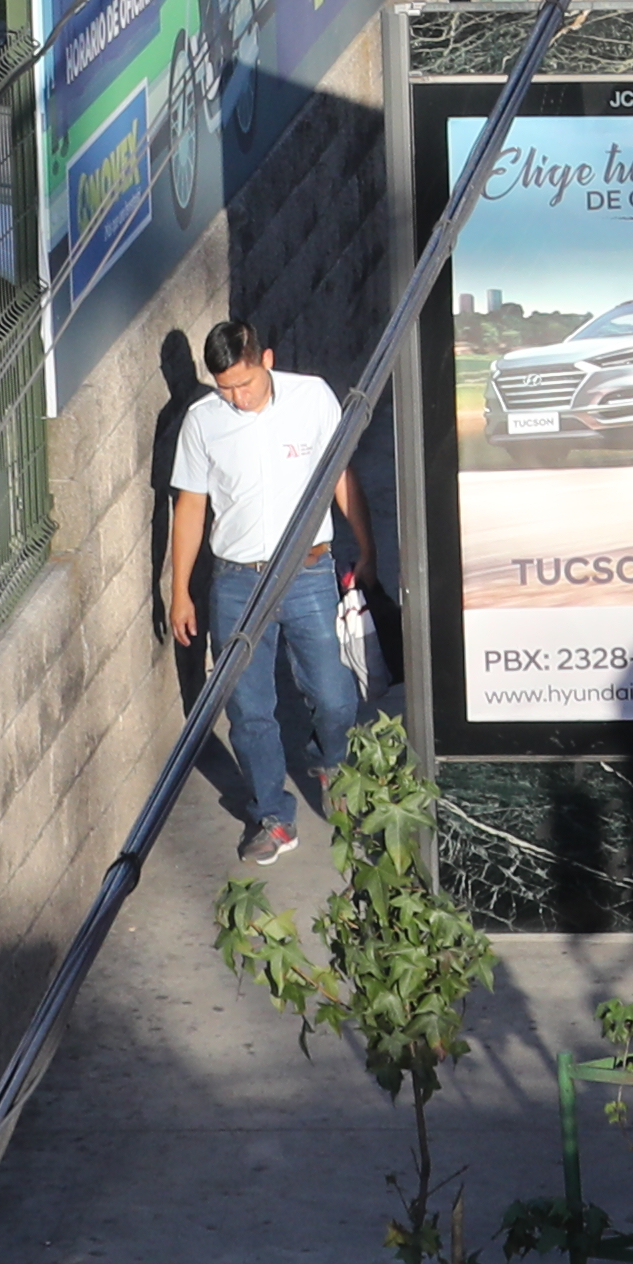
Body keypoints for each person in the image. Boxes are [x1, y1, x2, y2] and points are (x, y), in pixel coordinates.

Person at [166, 315, 370, 867]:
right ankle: (271, 816)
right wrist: (179, 588)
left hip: (308, 573)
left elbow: (341, 475)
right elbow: (189, 506)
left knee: (333, 696)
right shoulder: (202, 421)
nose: (235, 396)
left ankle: (329, 758)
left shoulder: (314, 399)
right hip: (236, 581)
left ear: (267, 360)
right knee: (250, 710)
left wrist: (364, 548)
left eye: (245, 383)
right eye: (224, 387)